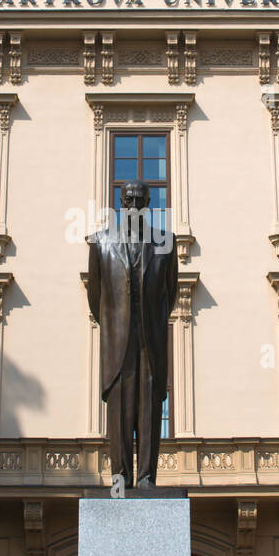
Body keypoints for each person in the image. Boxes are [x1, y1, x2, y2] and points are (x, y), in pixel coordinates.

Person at [86, 181, 178, 488]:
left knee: (149, 408)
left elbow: (171, 293)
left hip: (150, 337)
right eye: (128, 200)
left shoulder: (166, 242)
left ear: (149, 203)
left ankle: (147, 476)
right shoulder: (100, 242)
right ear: (120, 203)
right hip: (118, 339)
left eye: (139, 200)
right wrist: (117, 323)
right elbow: (96, 296)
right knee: (120, 410)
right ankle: (120, 474)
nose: (134, 205)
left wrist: (147, 320)